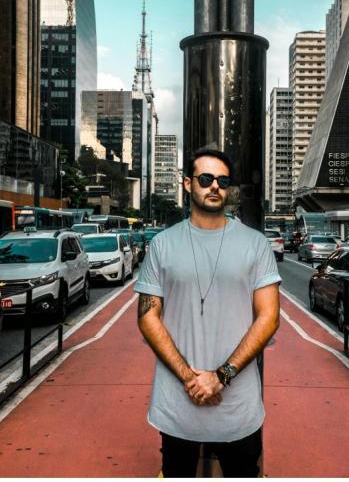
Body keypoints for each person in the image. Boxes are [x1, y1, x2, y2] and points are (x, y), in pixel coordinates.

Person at [135, 149, 281, 478]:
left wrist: (220, 376)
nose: (214, 186)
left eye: (222, 181)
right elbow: (147, 316)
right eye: (206, 179)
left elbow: (269, 317)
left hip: (238, 409)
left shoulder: (256, 244)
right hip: (177, 406)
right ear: (188, 184)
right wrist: (191, 378)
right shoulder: (162, 245)